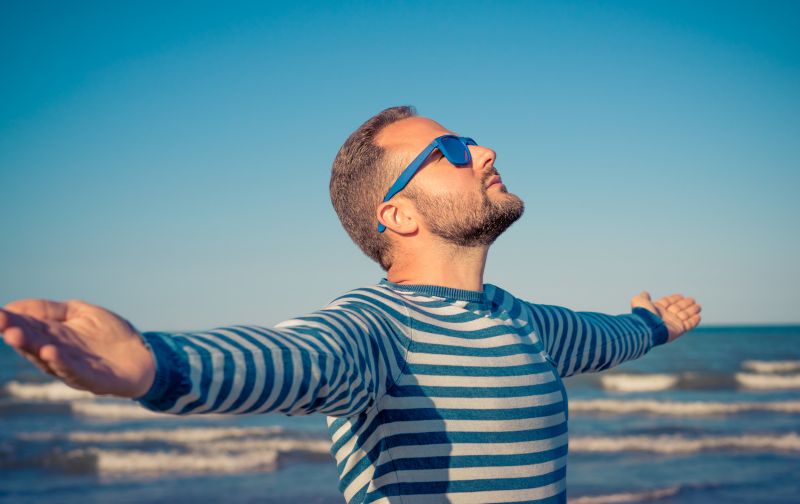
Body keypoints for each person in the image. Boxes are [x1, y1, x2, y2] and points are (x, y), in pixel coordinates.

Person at [0, 106, 701, 503]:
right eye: (451, 151)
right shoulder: (376, 329)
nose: (485, 151)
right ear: (398, 215)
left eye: (470, 142)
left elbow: (606, 336)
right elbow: (298, 357)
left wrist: (655, 323)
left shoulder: (525, 322)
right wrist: (160, 365)